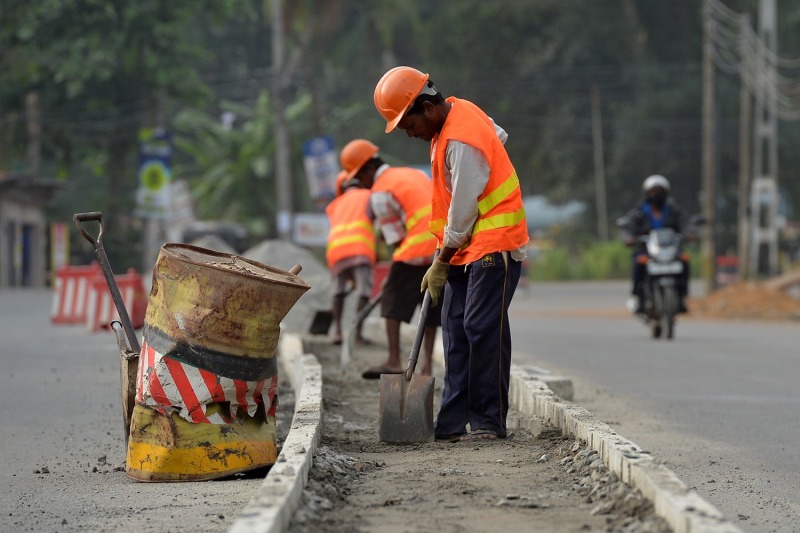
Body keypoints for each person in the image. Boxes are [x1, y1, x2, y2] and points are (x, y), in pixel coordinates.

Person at [373, 66, 529, 442]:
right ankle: (451, 422)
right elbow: (499, 136)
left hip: (494, 242)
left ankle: (489, 421)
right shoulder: (456, 117)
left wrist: (440, 260)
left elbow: (462, 209)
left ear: (426, 107)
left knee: (480, 327)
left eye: (408, 125)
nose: (410, 135)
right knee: (455, 330)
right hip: (465, 246)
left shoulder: (460, 139)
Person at [338, 138, 441, 379]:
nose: (361, 185)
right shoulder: (410, 173)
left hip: (416, 250)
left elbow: (396, 239)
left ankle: (395, 360)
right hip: (442, 248)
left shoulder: (381, 192)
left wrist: (392, 277)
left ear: (369, 169)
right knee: (431, 307)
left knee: (391, 303)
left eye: (360, 178)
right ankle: (426, 368)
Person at [620, 174, 690, 313]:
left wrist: (690, 233)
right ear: (646, 193)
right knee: (638, 262)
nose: (656, 195)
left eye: (660, 192)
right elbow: (628, 227)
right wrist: (629, 237)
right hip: (647, 250)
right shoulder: (639, 213)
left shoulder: (674, 211)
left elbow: (686, 224)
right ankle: (637, 296)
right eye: (653, 192)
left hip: (670, 249)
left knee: (684, 260)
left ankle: (681, 296)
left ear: (666, 193)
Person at [325, 170, 376, 345]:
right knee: (364, 291)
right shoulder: (368, 195)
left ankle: (338, 332)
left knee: (338, 291)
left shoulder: (334, 204)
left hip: (336, 252)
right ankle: (357, 333)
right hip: (360, 249)